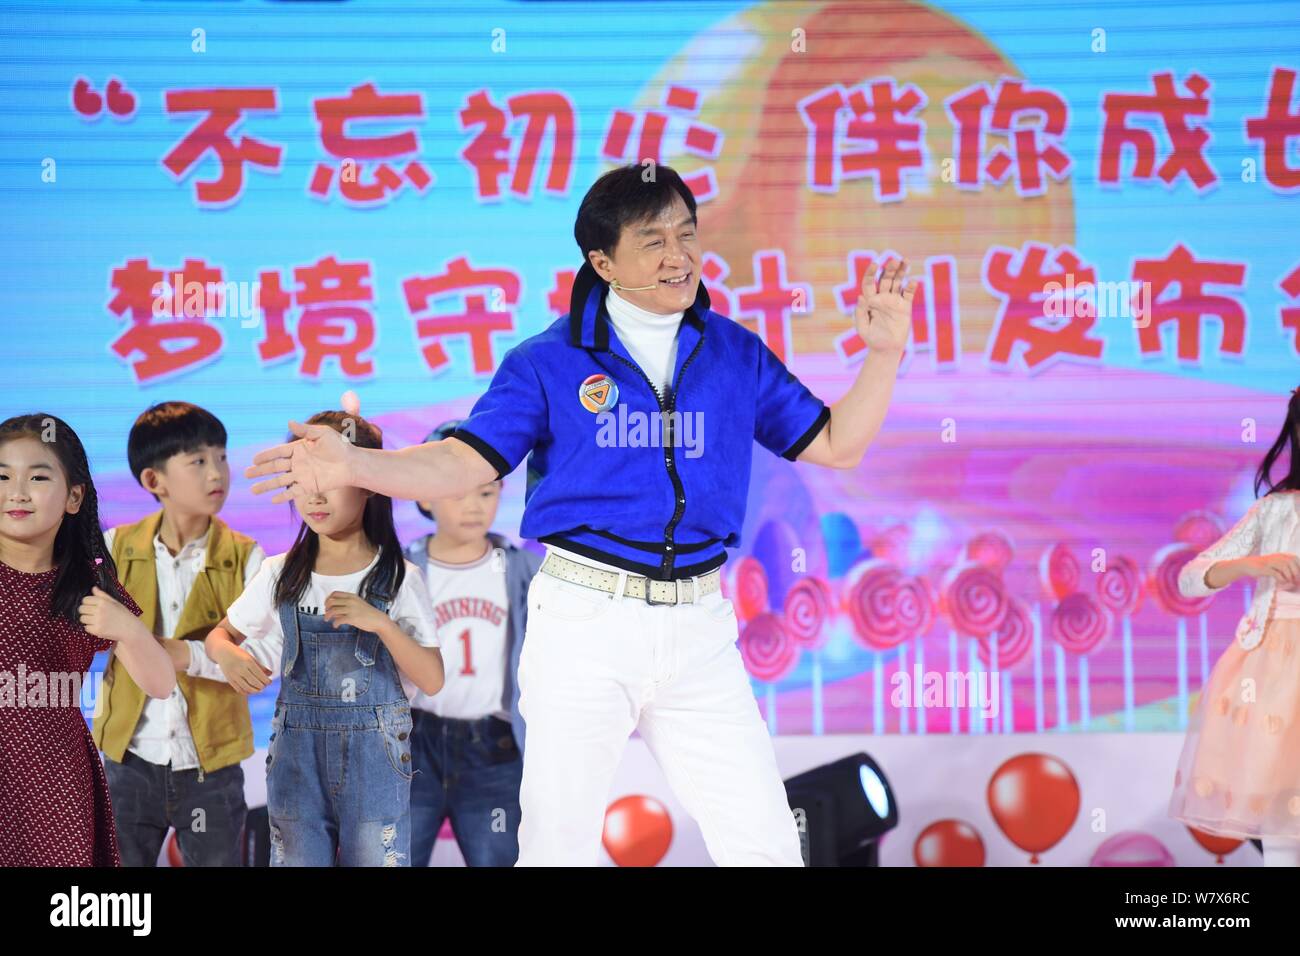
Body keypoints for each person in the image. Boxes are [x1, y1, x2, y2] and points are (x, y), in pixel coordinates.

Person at [242, 164, 914, 866]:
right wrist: (355, 466)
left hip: (700, 627)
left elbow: (835, 443)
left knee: (767, 844)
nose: (678, 256)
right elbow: (465, 463)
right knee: (559, 848)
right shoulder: (547, 361)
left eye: (687, 234)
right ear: (603, 260)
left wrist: (885, 354)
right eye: (653, 241)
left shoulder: (732, 351)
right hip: (587, 621)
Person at [183, 410, 443, 866]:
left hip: (375, 761)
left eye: (328, 476)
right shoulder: (280, 572)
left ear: (368, 481)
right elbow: (221, 636)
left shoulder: (401, 577)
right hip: (296, 760)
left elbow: (433, 678)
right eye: (301, 478)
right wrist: (226, 655)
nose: (314, 494)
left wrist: (379, 623)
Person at [93, 402, 265, 867]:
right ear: (154, 481)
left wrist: (181, 654)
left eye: (222, 457)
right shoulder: (114, 549)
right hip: (128, 760)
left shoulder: (249, 558)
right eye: (198, 461)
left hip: (212, 767)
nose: (218, 474)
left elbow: (258, 661)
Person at [0, 413, 175, 866]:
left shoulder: (89, 584)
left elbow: (160, 684)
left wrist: (130, 630)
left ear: (74, 495)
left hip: (55, 778)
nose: (17, 492)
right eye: (2, 477)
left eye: (37, 477)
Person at [403, 419, 542, 866]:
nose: (475, 506)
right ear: (424, 494)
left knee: (497, 856)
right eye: (458, 491)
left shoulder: (521, 568)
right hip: (412, 743)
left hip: (494, 747)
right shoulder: (402, 568)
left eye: (487, 491)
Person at [1171, 386, 1300, 866]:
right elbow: (1190, 579)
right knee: (1282, 820)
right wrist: (1255, 563)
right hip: (1273, 675)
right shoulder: (1275, 510)